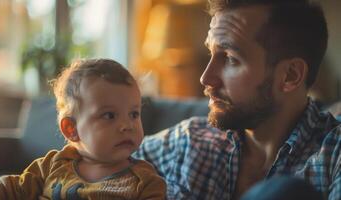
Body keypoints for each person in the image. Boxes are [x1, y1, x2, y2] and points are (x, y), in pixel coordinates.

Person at [135, 0, 341, 199]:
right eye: (211, 53)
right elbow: (104, 166)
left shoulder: (333, 155)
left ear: (290, 75)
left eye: (231, 58)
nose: (206, 78)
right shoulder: (188, 142)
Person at [0, 58, 166, 199]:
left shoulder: (146, 183)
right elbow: (8, 192)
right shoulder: (53, 165)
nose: (127, 125)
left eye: (134, 114)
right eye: (109, 116)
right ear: (71, 128)